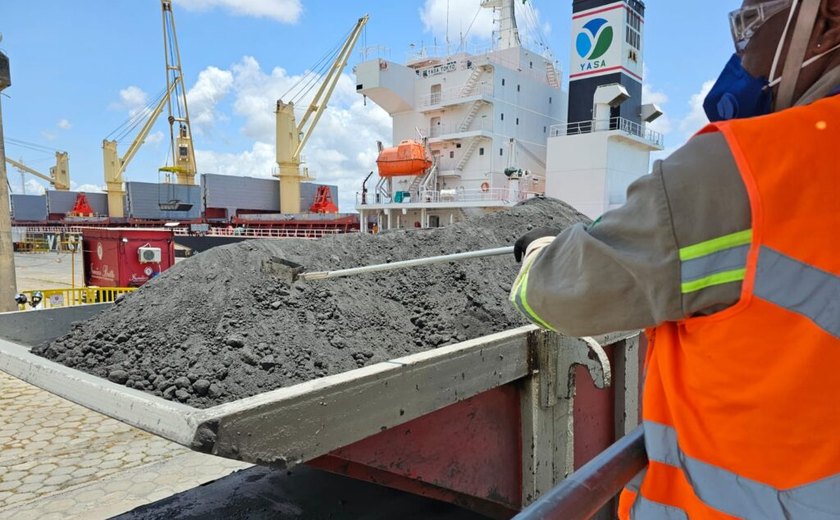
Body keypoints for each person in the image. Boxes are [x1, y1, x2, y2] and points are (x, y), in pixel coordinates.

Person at [509, 0, 840, 517]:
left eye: (755, 19)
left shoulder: (747, 172)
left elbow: (558, 293)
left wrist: (539, 249)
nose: (744, 45)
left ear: (827, 21)